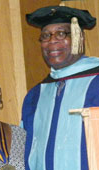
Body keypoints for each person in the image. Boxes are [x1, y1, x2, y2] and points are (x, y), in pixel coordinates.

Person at [21, 5, 98, 170]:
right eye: (45, 35)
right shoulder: (34, 96)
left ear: (79, 38)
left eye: (61, 33)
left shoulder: (96, 82)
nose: (52, 41)